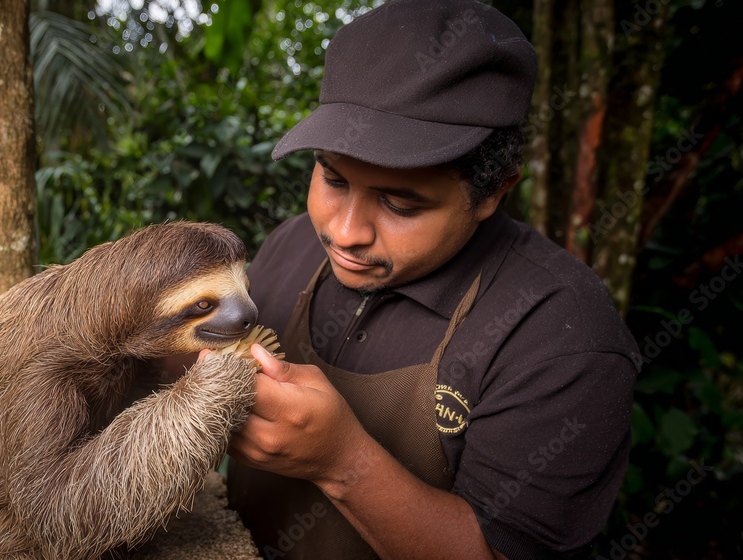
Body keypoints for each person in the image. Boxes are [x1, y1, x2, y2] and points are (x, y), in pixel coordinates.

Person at [223, 1, 641, 559]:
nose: (344, 232)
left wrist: (344, 463)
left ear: (494, 191)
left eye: (400, 203)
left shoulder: (563, 338)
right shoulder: (289, 244)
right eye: (332, 177)